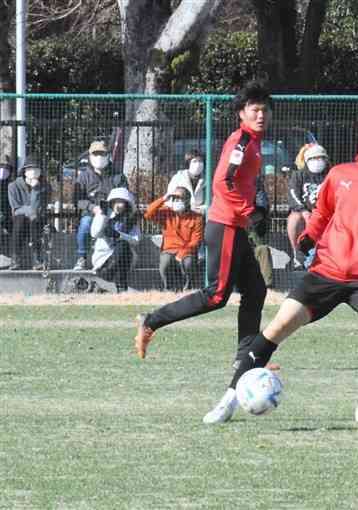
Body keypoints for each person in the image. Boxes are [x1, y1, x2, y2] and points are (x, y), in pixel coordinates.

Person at [198, 101, 358, 426]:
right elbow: (322, 213)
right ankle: (228, 400)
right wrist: (309, 235)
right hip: (326, 272)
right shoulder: (339, 175)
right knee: (277, 327)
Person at [133, 81, 271, 406]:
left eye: (265, 109)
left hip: (234, 226)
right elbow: (223, 180)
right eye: (255, 110)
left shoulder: (253, 142)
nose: (261, 114)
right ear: (242, 113)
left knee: (256, 290)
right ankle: (151, 321)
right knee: (217, 295)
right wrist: (250, 211)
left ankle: (248, 361)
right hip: (224, 225)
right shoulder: (241, 142)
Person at [73, 140, 128, 270]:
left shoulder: (118, 176)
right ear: (90, 156)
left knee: (118, 227)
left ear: (108, 155)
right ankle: (82, 257)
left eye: (102, 154)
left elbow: (125, 195)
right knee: (85, 224)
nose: (99, 157)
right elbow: (77, 200)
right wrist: (92, 208)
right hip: (91, 213)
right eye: (96, 154)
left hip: (113, 212)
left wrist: (117, 207)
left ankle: (116, 258)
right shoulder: (83, 177)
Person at [144, 186, 204, 292]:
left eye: (179, 198)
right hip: (169, 249)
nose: (176, 201)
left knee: (188, 262)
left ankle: (188, 286)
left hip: (187, 251)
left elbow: (196, 240)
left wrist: (182, 252)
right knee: (165, 262)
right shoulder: (167, 213)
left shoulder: (197, 217)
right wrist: (163, 199)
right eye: (174, 198)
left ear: (187, 200)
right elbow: (148, 213)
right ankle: (169, 289)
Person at [287, 143, 329, 269]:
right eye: (314, 158)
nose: (318, 161)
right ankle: (297, 254)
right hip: (303, 211)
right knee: (294, 219)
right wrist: (304, 211)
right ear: (307, 160)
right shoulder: (298, 175)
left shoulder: (330, 174)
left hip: (325, 213)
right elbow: (293, 194)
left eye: (321, 158)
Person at [91, 187, 141, 292]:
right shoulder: (104, 215)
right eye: (115, 202)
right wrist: (102, 216)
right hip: (104, 260)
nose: (117, 205)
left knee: (123, 245)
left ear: (127, 204)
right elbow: (95, 233)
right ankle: (115, 280)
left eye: (121, 202)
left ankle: (120, 286)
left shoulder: (131, 220)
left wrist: (119, 235)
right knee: (121, 249)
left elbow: (136, 240)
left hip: (124, 258)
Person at [7, 160, 49, 270]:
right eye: (30, 168)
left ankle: (37, 259)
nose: (34, 171)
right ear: (24, 171)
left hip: (37, 218)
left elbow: (40, 207)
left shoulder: (45, 186)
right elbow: (15, 208)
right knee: (20, 220)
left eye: (37, 169)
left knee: (36, 222)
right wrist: (30, 211)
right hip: (20, 218)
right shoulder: (13, 186)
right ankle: (15, 258)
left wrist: (36, 189)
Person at [248, 172, 274, 290]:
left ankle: (266, 287)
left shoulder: (255, 183)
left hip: (253, 232)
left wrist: (251, 215)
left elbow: (261, 208)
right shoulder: (228, 182)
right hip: (235, 236)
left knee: (263, 249)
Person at [167, 150, 207, 214]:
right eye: (195, 161)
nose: (198, 164)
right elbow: (169, 198)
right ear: (188, 163)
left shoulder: (207, 180)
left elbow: (210, 202)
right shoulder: (178, 177)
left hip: (199, 215)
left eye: (200, 161)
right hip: (180, 214)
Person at [0, 155, 13, 259]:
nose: (3, 170)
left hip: (8, 217)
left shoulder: (11, 185)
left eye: (7, 168)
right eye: (1, 167)